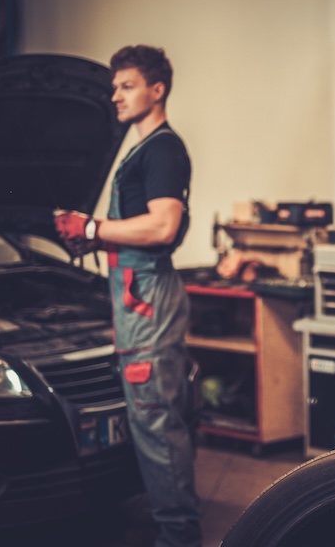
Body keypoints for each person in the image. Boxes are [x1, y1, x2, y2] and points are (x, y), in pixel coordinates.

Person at [54, 45, 200, 547]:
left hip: (147, 301)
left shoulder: (161, 149)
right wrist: (94, 237)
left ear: (156, 90)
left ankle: (178, 536)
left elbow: (164, 225)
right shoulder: (142, 149)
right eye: (114, 86)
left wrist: (95, 225)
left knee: (158, 424)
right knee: (154, 419)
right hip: (137, 297)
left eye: (126, 85)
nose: (114, 95)